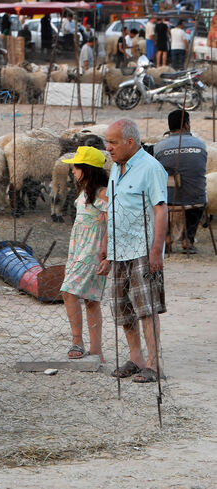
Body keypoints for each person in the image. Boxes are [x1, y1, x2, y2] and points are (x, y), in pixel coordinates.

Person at [99, 119, 168, 384]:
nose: (108, 148)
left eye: (113, 142)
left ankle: (154, 364)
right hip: (119, 249)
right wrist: (106, 244)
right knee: (123, 308)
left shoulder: (151, 168)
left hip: (142, 249)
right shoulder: (116, 168)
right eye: (107, 142)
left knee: (146, 308)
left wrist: (156, 250)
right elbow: (113, 208)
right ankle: (136, 358)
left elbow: (161, 210)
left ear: (130, 142)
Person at [60, 146, 109, 362]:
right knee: (91, 299)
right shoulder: (84, 192)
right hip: (78, 249)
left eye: (76, 167)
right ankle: (96, 350)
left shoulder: (102, 193)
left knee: (68, 291)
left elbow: (110, 223)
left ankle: (77, 342)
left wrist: (107, 254)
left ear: (87, 169)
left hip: (92, 251)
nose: (73, 170)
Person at [154, 109, 207, 254]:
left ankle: (166, 237)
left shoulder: (159, 147)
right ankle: (188, 239)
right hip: (193, 197)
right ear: (186, 125)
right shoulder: (200, 144)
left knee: (160, 201)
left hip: (166, 197)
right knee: (200, 199)